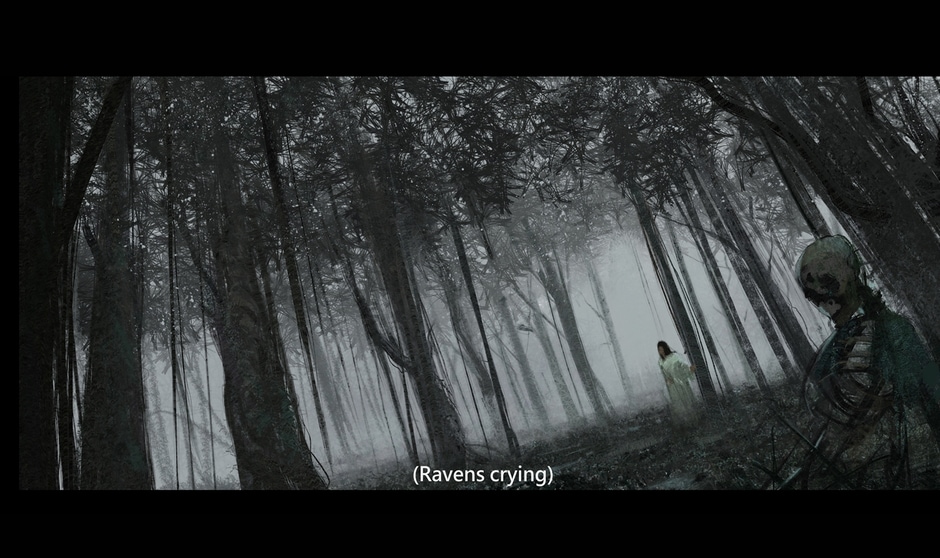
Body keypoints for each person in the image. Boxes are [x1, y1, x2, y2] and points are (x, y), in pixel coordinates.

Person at [795, 235, 940, 488]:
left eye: (827, 279)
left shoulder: (894, 329)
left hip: (908, 464)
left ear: (852, 273)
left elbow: (929, 391)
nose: (820, 293)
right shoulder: (832, 346)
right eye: (810, 286)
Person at [658, 341, 699, 431]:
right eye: (659, 350)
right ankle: (684, 425)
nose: (661, 351)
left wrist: (689, 370)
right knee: (678, 405)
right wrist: (668, 380)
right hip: (672, 387)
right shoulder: (660, 361)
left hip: (682, 383)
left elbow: (683, 368)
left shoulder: (675, 357)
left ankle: (694, 423)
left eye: (662, 349)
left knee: (688, 402)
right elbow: (665, 375)